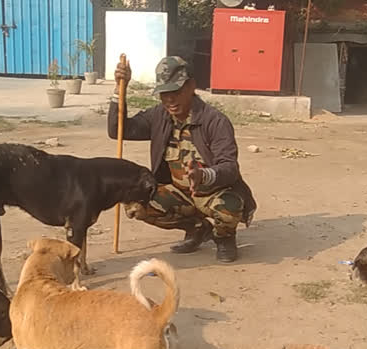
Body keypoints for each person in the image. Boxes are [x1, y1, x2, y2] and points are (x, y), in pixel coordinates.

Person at [108, 56, 257, 262]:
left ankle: (224, 238)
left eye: (176, 92)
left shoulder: (215, 121)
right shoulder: (159, 116)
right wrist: (119, 90)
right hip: (178, 193)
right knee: (136, 202)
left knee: (228, 207)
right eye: (164, 94)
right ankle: (197, 228)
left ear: (192, 86)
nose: (170, 100)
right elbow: (118, 130)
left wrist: (203, 175)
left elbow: (229, 167)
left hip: (212, 193)